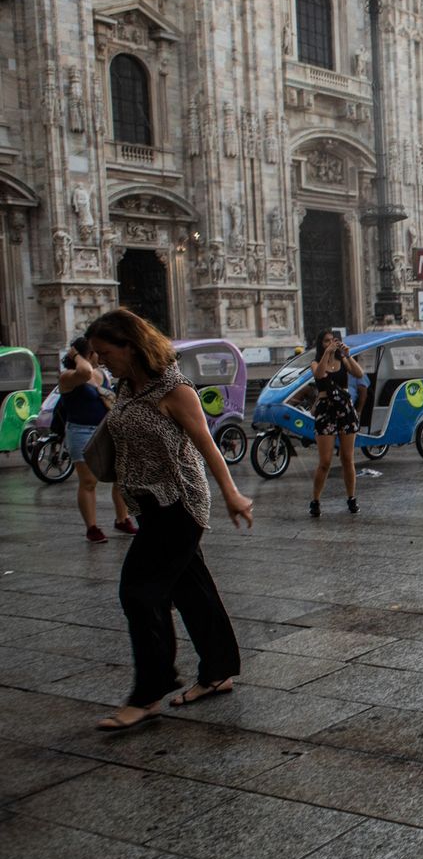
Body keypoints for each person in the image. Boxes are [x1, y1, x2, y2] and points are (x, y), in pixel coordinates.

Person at [83, 309, 252, 731]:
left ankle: (148, 693)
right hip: (147, 504)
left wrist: (231, 494)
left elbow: (207, 446)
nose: (102, 362)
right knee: (193, 590)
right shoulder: (126, 386)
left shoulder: (175, 389)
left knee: (139, 593)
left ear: (131, 346)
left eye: (106, 353)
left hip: (180, 504)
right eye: (97, 355)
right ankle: (218, 672)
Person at [57, 336, 134, 543]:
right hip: (81, 431)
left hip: (106, 429)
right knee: (89, 481)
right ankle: (92, 527)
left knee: (120, 477)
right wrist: (75, 355)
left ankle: (122, 518)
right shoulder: (69, 377)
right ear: (85, 355)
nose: (99, 355)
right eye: (95, 351)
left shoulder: (102, 374)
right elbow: (84, 373)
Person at [309, 330, 364, 517]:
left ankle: (351, 498)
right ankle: (315, 500)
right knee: (325, 461)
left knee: (347, 458)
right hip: (326, 411)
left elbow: (359, 373)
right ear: (320, 344)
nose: (330, 343)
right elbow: (319, 374)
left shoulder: (343, 361)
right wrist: (327, 353)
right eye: (326, 341)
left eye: (333, 340)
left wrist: (347, 355)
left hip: (345, 410)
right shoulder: (316, 362)